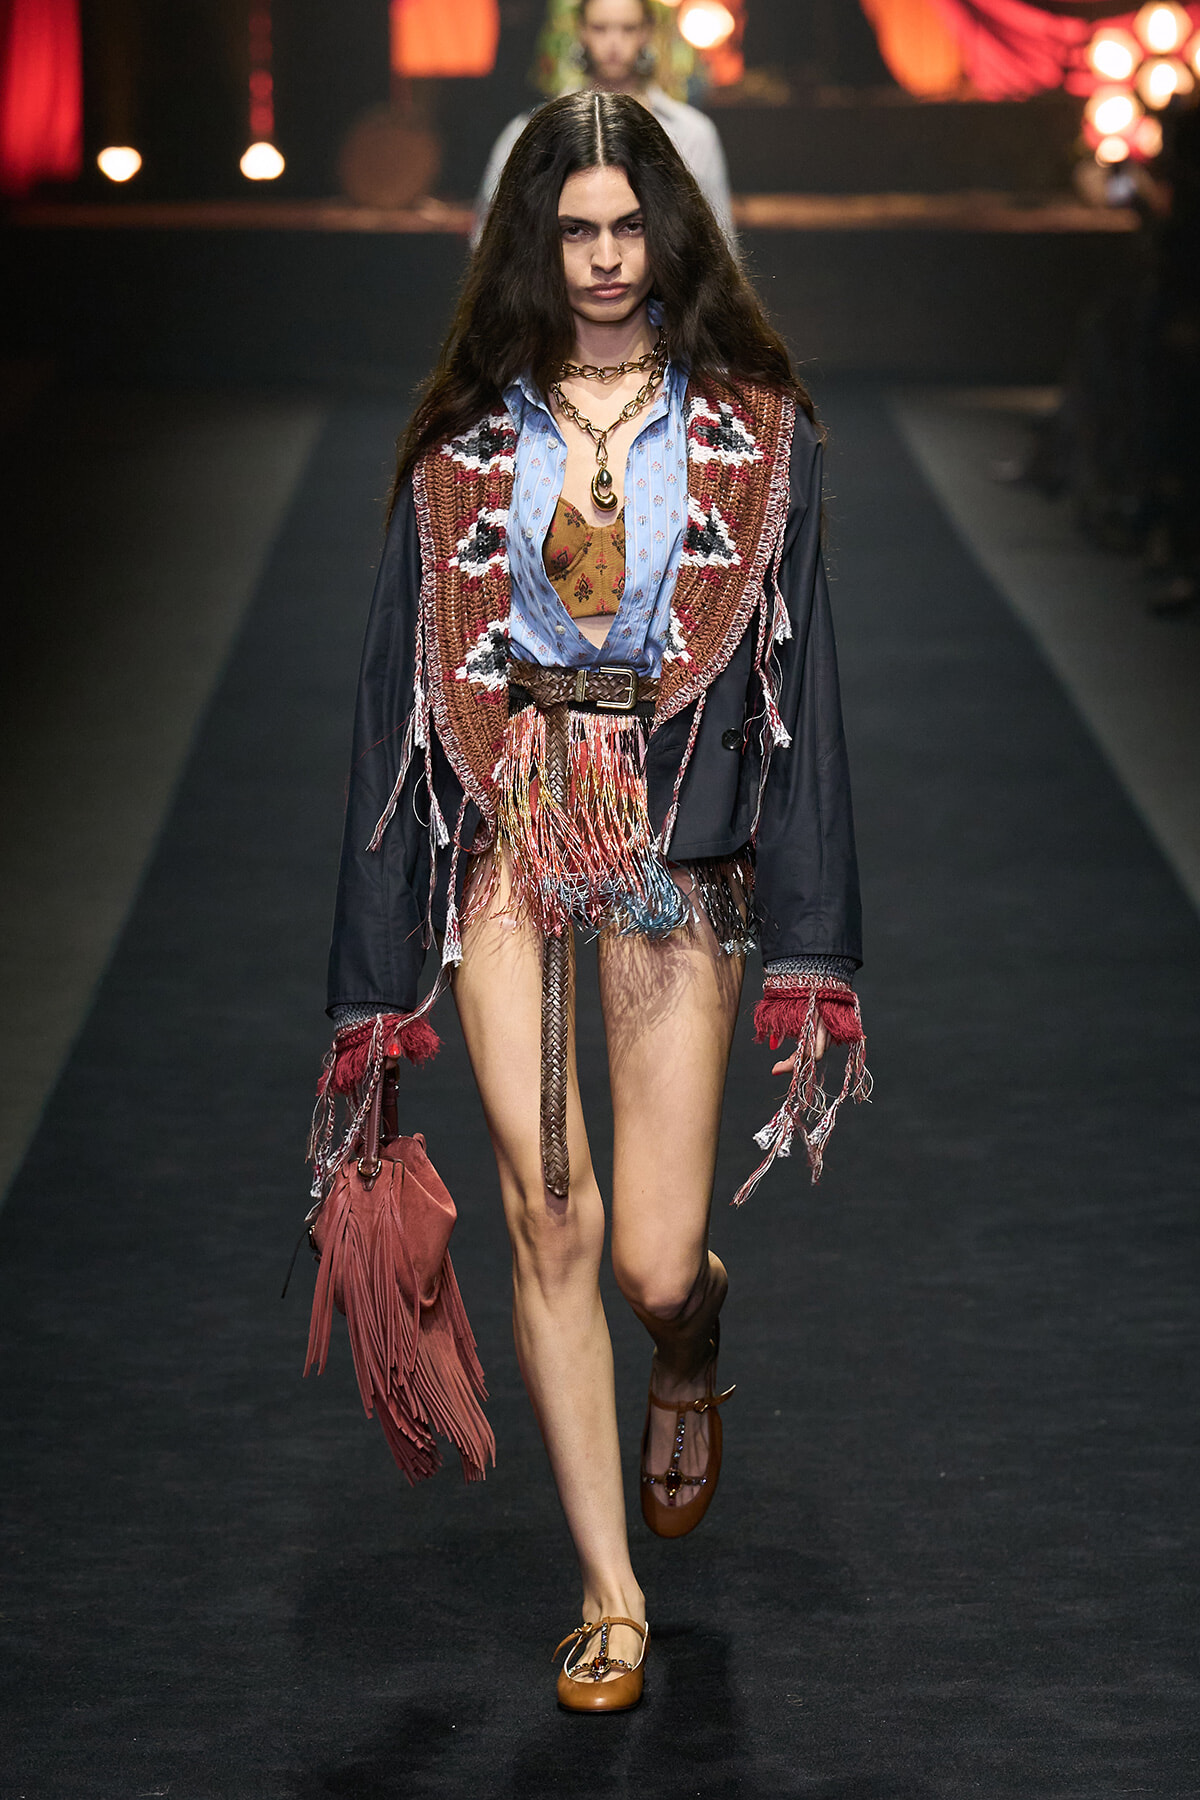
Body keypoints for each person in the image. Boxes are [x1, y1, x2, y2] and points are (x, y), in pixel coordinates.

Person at [315, 89, 868, 1713]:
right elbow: (392, 706)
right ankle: (609, 1593)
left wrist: (815, 943)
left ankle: (688, 1336)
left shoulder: (754, 433)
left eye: (631, 227)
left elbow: (805, 700)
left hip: (675, 851)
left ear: (670, 235)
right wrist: (372, 979)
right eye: (577, 231)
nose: (608, 257)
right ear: (531, 244)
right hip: (508, 839)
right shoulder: (463, 443)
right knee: (547, 1211)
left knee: (650, 1259)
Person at [473, 0, 735, 246]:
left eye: (628, 28)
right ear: (581, 30)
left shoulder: (691, 132)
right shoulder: (531, 131)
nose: (613, 43)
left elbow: (719, 242)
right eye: (600, 28)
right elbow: (490, 239)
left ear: (646, 32)